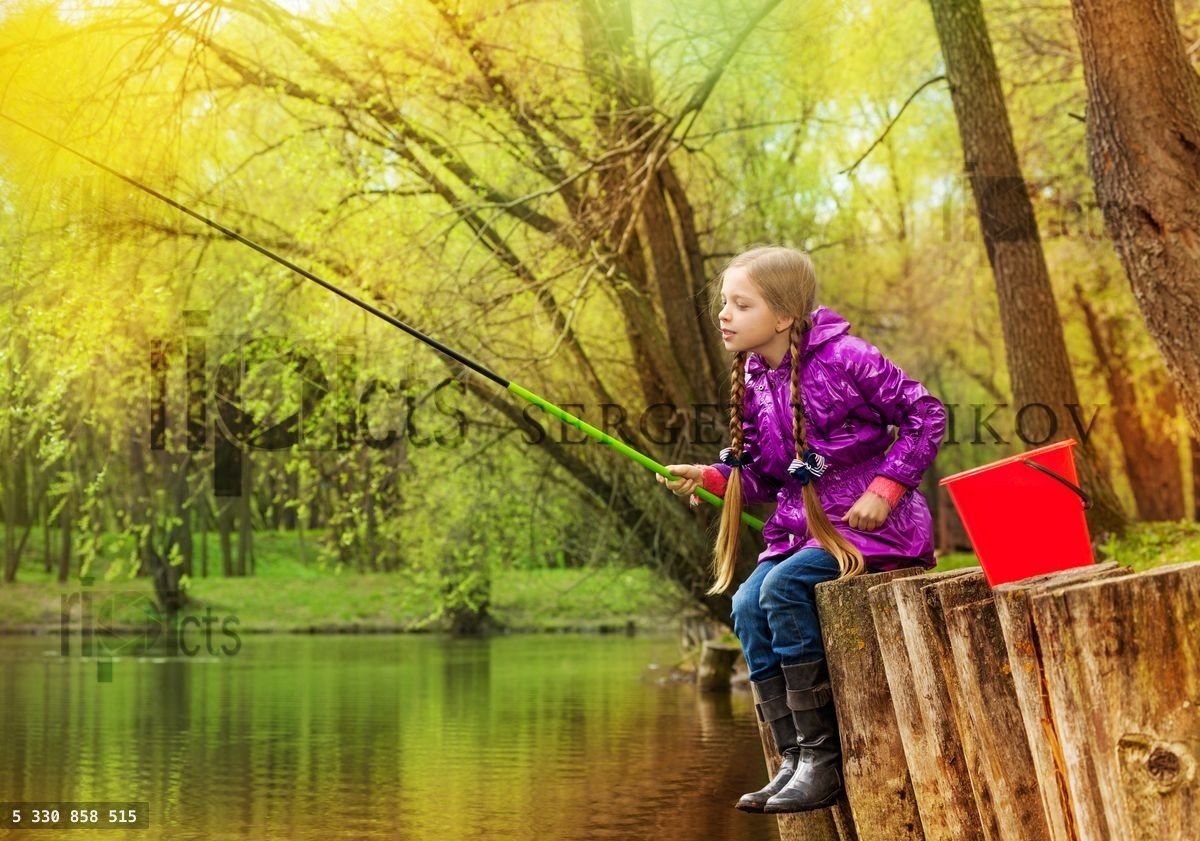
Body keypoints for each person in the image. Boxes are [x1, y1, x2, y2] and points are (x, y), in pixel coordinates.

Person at [657, 245, 947, 814]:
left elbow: (926, 415)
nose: (724, 315)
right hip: (801, 531)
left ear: (785, 316)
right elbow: (765, 479)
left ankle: (824, 760)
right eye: (724, 303)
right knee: (745, 603)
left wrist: (884, 490)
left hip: (873, 532)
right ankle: (793, 757)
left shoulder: (847, 358)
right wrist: (714, 479)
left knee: (780, 588)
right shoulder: (756, 378)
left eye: (741, 304)